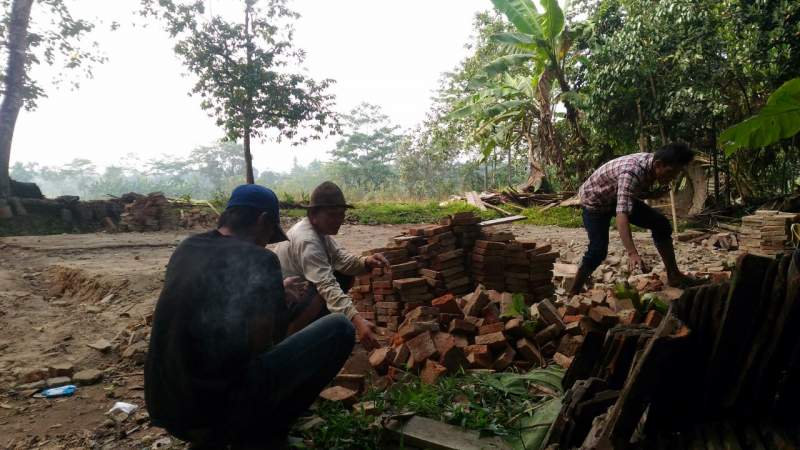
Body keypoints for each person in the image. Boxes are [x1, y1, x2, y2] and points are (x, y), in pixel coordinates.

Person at [145, 184, 355, 449]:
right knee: (339, 329)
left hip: (166, 408)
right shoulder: (260, 259)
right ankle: (263, 434)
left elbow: (206, 301)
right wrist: (279, 301)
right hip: (214, 413)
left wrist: (272, 290)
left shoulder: (187, 247)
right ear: (263, 220)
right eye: (269, 234)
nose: (267, 241)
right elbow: (263, 344)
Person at [274, 181, 389, 350]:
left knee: (344, 274)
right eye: (332, 215)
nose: (339, 220)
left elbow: (341, 258)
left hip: (296, 297)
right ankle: (288, 343)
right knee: (323, 291)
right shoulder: (307, 239)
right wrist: (357, 321)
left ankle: (315, 330)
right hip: (281, 310)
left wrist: (366, 262)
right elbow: (326, 285)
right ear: (313, 214)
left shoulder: (320, 232)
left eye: (341, 214)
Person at [570, 143, 699, 294]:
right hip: (595, 202)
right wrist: (632, 252)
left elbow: (629, 193)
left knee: (661, 224)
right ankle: (573, 292)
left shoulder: (651, 165)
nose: (672, 178)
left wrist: (650, 195)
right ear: (658, 164)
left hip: (614, 197)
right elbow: (622, 214)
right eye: (670, 173)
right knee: (598, 250)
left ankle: (674, 275)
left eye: (676, 174)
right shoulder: (632, 172)